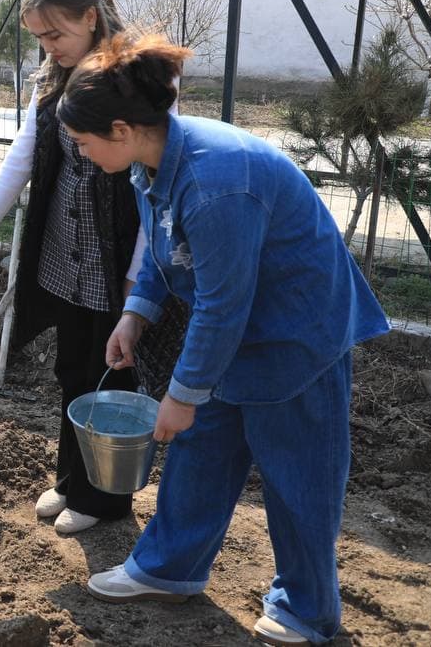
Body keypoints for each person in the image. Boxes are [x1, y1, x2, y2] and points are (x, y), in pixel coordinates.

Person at [58, 36, 389, 647]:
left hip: (297, 331)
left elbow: (221, 305)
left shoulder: (216, 184)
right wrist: (136, 313)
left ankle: (309, 609)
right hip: (239, 326)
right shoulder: (151, 163)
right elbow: (167, 248)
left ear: (123, 128)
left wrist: (182, 395)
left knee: (297, 473)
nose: (80, 154)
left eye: (83, 143)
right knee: (201, 448)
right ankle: (168, 567)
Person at [0, 0, 178, 535]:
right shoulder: (50, 79)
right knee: (72, 368)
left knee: (112, 378)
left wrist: (136, 278)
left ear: (90, 17)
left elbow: (156, 186)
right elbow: (21, 157)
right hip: (62, 254)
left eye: (56, 34)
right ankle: (72, 480)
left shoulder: (138, 79)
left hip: (115, 258)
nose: (48, 47)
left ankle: (107, 501)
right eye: (39, 37)